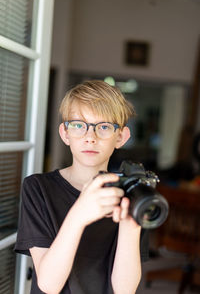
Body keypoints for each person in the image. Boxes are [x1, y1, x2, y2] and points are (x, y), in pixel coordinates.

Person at [15, 80, 149, 294]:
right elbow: (49, 285)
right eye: (79, 125)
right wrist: (79, 214)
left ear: (121, 137)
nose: (90, 137)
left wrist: (131, 226)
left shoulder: (132, 194)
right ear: (65, 133)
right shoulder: (38, 188)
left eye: (104, 127)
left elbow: (124, 290)